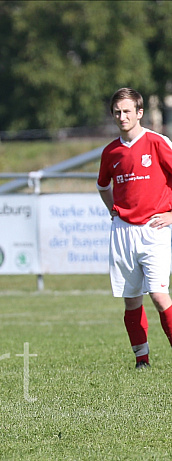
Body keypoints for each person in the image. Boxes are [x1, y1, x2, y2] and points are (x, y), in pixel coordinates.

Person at [97, 87, 172, 370]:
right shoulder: (111, 151)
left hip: (154, 229)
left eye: (127, 111)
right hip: (123, 232)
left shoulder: (157, 142)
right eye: (117, 112)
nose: (122, 116)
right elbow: (103, 186)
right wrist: (114, 211)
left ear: (140, 113)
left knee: (159, 294)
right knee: (131, 301)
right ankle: (142, 360)